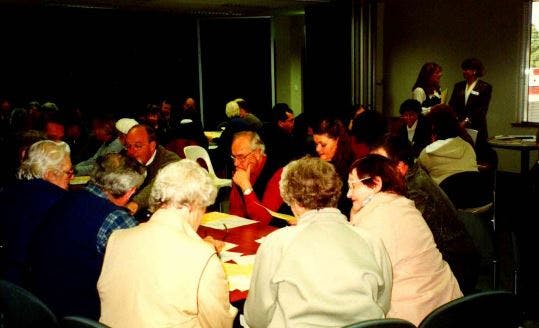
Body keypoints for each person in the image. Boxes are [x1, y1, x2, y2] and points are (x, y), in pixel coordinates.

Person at [244, 157, 392, 328]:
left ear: (295, 202)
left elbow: (256, 318)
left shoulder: (277, 244)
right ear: (336, 193)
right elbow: (382, 305)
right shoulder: (371, 241)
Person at [98, 160, 237, 328]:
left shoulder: (117, 239)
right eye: (204, 208)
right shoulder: (202, 256)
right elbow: (219, 324)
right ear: (194, 205)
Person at [347, 154, 462, 325]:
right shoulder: (405, 206)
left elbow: (359, 283)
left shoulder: (374, 220)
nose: (349, 194)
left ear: (376, 184)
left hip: (411, 319)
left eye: (353, 186)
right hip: (449, 307)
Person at [29, 153, 146, 319]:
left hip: (41, 297)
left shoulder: (68, 197)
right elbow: (144, 262)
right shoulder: (116, 218)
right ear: (130, 192)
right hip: (81, 310)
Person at [371, 134, 480, 294]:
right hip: (452, 261)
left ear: (400, 166)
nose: (374, 170)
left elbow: (406, 237)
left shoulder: (415, 191)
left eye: (380, 164)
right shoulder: (410, 177)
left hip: (455, 272)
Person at [0, 140, 72, 286]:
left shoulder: (8, 191)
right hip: (36, 285)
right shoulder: (60, 203)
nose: (73, 177)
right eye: (68, 172)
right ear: (50, 174)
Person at [228, 131, 290, 227]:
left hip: (276, 232)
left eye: (241, 157)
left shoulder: (278, 173)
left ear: (257, 153)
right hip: (250, 231)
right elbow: (235, 213)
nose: (236, 163)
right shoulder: (241, 171)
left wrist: (246, 187)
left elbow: (263, 220)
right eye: (234, 157)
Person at [124, 124, 180, 219]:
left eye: (138, 146)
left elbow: (158, 184)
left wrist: (135, 203)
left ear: (152, 146)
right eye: (129, 146)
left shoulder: (171, 161)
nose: (131, 151)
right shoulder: (129, 158)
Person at [449, 58, 495, 165]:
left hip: (476, 126)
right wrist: (456, 121)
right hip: (459, 127)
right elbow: (452, 105)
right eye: (463, 69)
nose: (464, 72)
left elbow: (481, 109)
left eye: (466, 69)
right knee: (460, 156)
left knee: (476, 156)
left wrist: (466, 121)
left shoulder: (484, 87)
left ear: (474, 71)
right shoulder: (458, 86)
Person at [418, 104, 478, 184]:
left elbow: (418, 181)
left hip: (443, 196)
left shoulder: (427, 153)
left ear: (433, 127)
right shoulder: (469, 147)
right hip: (474, 195)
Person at [312, 117, 355, 214]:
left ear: (338, 141)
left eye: (323, 145)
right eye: (315, 144)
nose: (317, 149)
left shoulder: (351, 169)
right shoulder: (315, 162)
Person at [259, 103, 299, 167]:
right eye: (291, 121)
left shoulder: (262, 130)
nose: (294, 123)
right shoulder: (285, 139)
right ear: (280, 123)